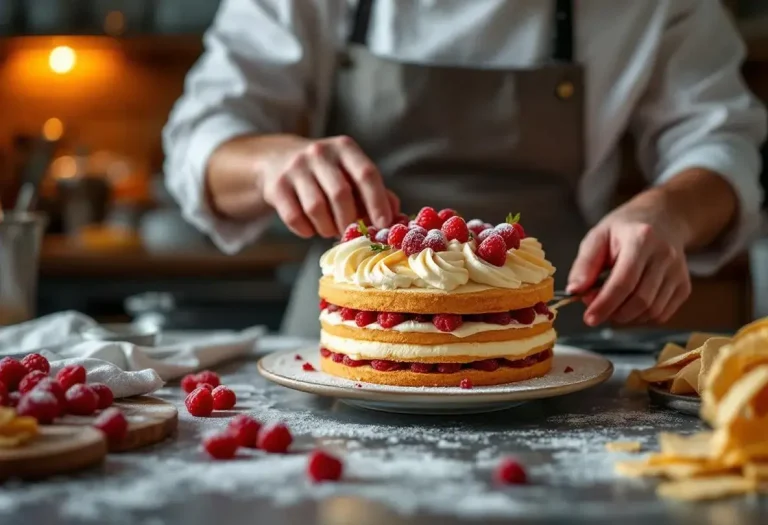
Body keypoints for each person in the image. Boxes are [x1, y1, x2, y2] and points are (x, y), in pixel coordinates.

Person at [163, 0, 766, 338]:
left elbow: (722, 142)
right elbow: (199, 140)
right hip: (347, 342)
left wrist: (669, 211)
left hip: (547, 341)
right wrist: (269, 163)